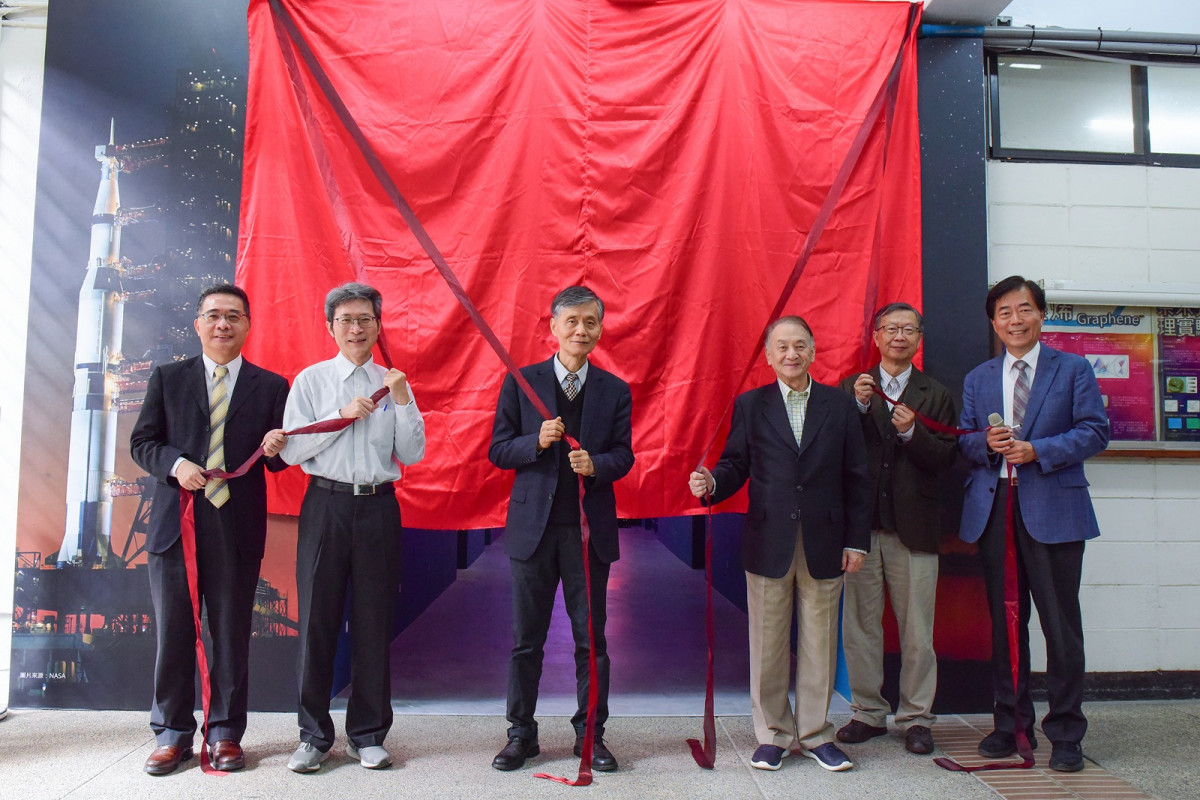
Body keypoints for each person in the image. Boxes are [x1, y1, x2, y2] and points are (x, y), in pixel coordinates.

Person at [688, 315, 870, 773]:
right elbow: (736, 464)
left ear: (814, 350)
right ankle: (772, 735)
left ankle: (816, 734)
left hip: (827, 539)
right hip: (768, 539)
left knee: (820, 642)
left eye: (800, 345)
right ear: (768, 355)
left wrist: (857, 541)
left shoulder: (839, 405)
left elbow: (857, 476)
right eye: (782, 347)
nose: (792, 354)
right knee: (767, 644)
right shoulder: (751, 404)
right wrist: (712, 482)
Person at [131, 283, 289, 776]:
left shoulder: (271, 386)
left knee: (230, 635)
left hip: (235, 529)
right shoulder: (168, 378)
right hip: (175, 528)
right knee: (175, 633)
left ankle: (224, 733)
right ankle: (171, 734)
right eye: (214, 315)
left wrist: (279, 446)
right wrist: (175, 464)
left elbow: (278, 464)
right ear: (198, 323)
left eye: (234, 316)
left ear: (248, 325)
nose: (223, 324)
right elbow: (143, 443)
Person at [959, 276, 1108, 773]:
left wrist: (1036, 450)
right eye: (1004, 312)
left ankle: (1065, 732)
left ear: (1041, 315)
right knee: (1005, 624)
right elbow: (963, 439)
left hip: (1054, 511)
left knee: (1060, 627)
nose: (1015, 320)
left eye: (1024, 309)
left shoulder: (1073, 368)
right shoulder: (979, 377)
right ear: (993, 322)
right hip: (995, 507)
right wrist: (986, 444)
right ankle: (1010, 724)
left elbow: (1095, 431)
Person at [280, 282, 426, 773]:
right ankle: (313, 736)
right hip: (326, 505)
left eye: (365, 319)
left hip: (378, 508)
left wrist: (402, 401)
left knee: (373, 624)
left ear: (378, 326)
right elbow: (292, 451)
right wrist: (338, 417)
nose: (356, 328)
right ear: (330, 327)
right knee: (316, 623)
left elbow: (412, 453)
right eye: (346, 320)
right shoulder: (312, 381)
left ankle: (367, 735)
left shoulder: (393, 381)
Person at [488, 286, 634, 773]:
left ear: (600, 329)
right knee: (525, 640)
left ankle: (590, 734)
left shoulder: (615, 389)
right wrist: (535, 441)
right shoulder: (521, 382)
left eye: (590, 322)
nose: (581, 330)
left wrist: (597, 465)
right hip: (533, 530)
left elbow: (624, 455)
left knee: (592, 642)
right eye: (571, 321)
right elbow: (498, 450)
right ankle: (520, 734)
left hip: (588, 535)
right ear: (552, 326)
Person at [835, 303, 958, 756]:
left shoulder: (935, 393)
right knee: (860, 626)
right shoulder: (852, 387)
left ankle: (916, 717)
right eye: (891, 329)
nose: (899, 337)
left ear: (919, 338)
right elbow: (835, 446)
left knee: (917, 629)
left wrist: (912, 434)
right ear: (876, 336)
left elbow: (947, 458)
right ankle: (867, 712)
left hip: (916, 527)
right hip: (861, 528)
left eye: (908, 329)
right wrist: (858, 406)